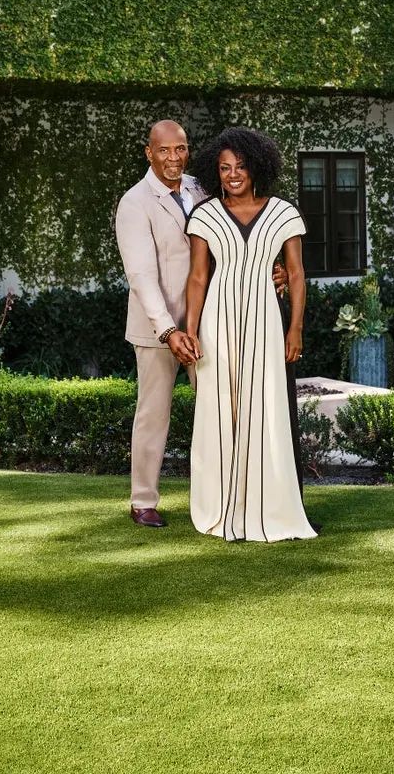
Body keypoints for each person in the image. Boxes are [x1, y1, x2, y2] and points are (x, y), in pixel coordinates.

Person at [184, 127, 317, 543]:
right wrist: (190, 330)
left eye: (240, 166)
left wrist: (295, 328)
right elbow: (197, 277)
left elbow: (296, 274)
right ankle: (222, 504)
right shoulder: (204, 215)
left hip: (266, 320)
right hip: (217, 323)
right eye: (225, 168)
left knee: (267, 408)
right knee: (220, 410)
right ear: (216, 172)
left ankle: (270, 505)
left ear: (256, 166)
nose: (233, 175)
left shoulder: (283, 213)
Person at [115, 120, 207, 528]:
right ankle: (143, 501)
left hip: (203, 323)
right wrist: (168, 330)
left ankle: (221, 492)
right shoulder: (135, 202)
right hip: (158, 331)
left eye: (180, 148)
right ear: (149, 153)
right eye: (165, 150)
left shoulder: (200, 189)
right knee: (153, 414)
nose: (174, 157)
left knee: (216, 408)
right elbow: (141, 275)